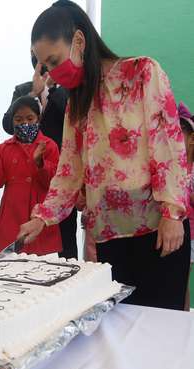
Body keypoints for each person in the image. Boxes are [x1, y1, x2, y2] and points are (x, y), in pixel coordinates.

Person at [18, 0, 190, 310]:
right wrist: (42, 218)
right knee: (118, 331)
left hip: (158, 231)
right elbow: (69, 170)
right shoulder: (76, 105)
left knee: (158, 333)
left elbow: (168, 146)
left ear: (79, 41)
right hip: (110, 237)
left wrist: (172, 214)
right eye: (45, 66)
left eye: (55, 60)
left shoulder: (142, 73)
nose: (53, 73)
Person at [3, 55, 77, 259]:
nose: (46, 66)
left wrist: (50, 90)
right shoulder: (21, 89)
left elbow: (74, 119)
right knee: (27, 237)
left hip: (60, 170)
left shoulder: (69, 89)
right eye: (40, 61)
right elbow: (8, 124)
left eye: (51, 60)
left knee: (65, 236)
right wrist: (34, 92)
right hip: (26, 173)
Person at [0, 96, 61, 255]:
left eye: (30, 118)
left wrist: (40, 163)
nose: (24, 123)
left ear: (38, 118)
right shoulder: (4, 148)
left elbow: (53, 183)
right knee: (9, 266)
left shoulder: (49, 145)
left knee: (41, 269)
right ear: (12, 121)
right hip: (11, 213)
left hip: (39, 214)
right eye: (18, 119)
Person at [178, 101, 194, 310]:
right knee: (180, 282)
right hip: (180, 234)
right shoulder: (172, 167)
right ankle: (181, 317)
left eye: (180, 132)